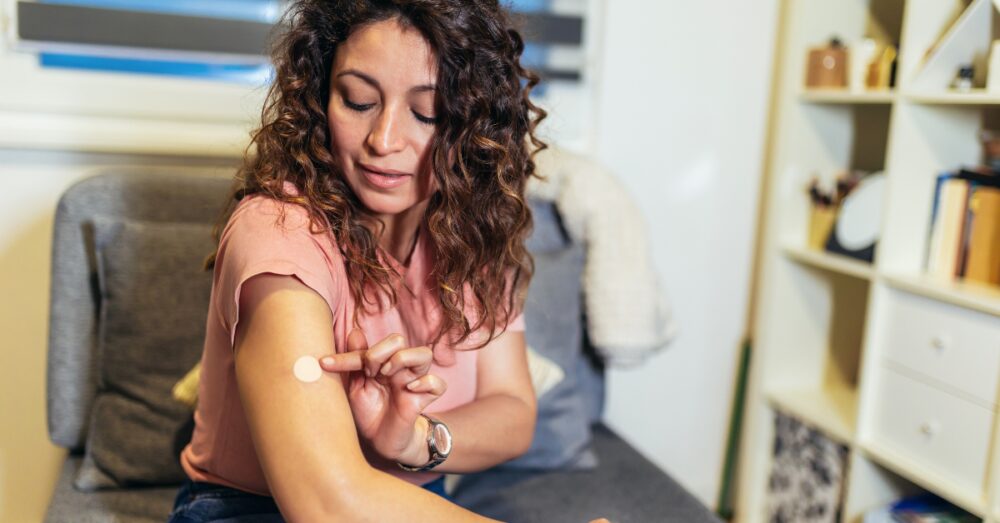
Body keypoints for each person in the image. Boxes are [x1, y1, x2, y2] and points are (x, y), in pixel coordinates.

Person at [167, 0, 547, 521]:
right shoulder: (279, 232)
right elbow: (325, 502)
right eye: (359, 100)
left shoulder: (474, 235)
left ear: (477, 127)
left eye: (427, 112)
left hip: (408, 502)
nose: (383, 141)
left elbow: (514, 409)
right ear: (323, 97)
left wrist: (414, 441)